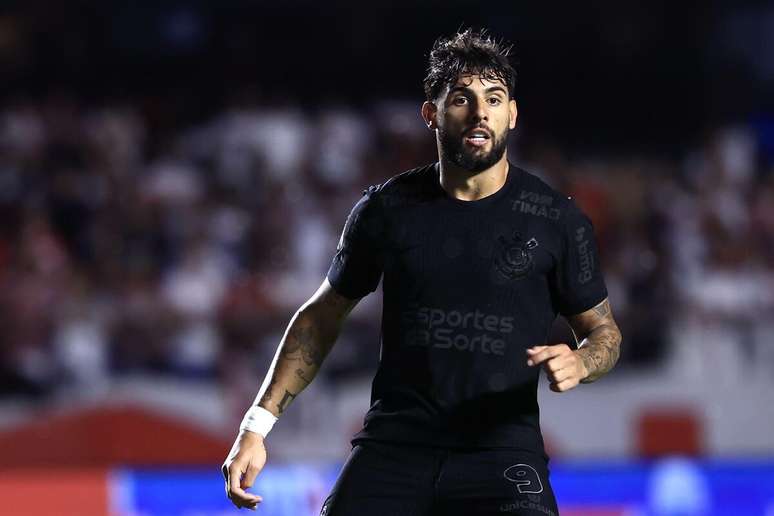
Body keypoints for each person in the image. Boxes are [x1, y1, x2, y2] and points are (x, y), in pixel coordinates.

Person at [222, 28, 622, 515]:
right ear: (431, 113)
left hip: (499, 455)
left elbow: (604, 334)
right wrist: (256, 426)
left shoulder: (557, 220)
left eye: (494, 99)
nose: (480, 113)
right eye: (462, 98)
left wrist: (582, 362)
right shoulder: (387, 209)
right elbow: (322, 316)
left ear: (512, 114)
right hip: (395, 449)